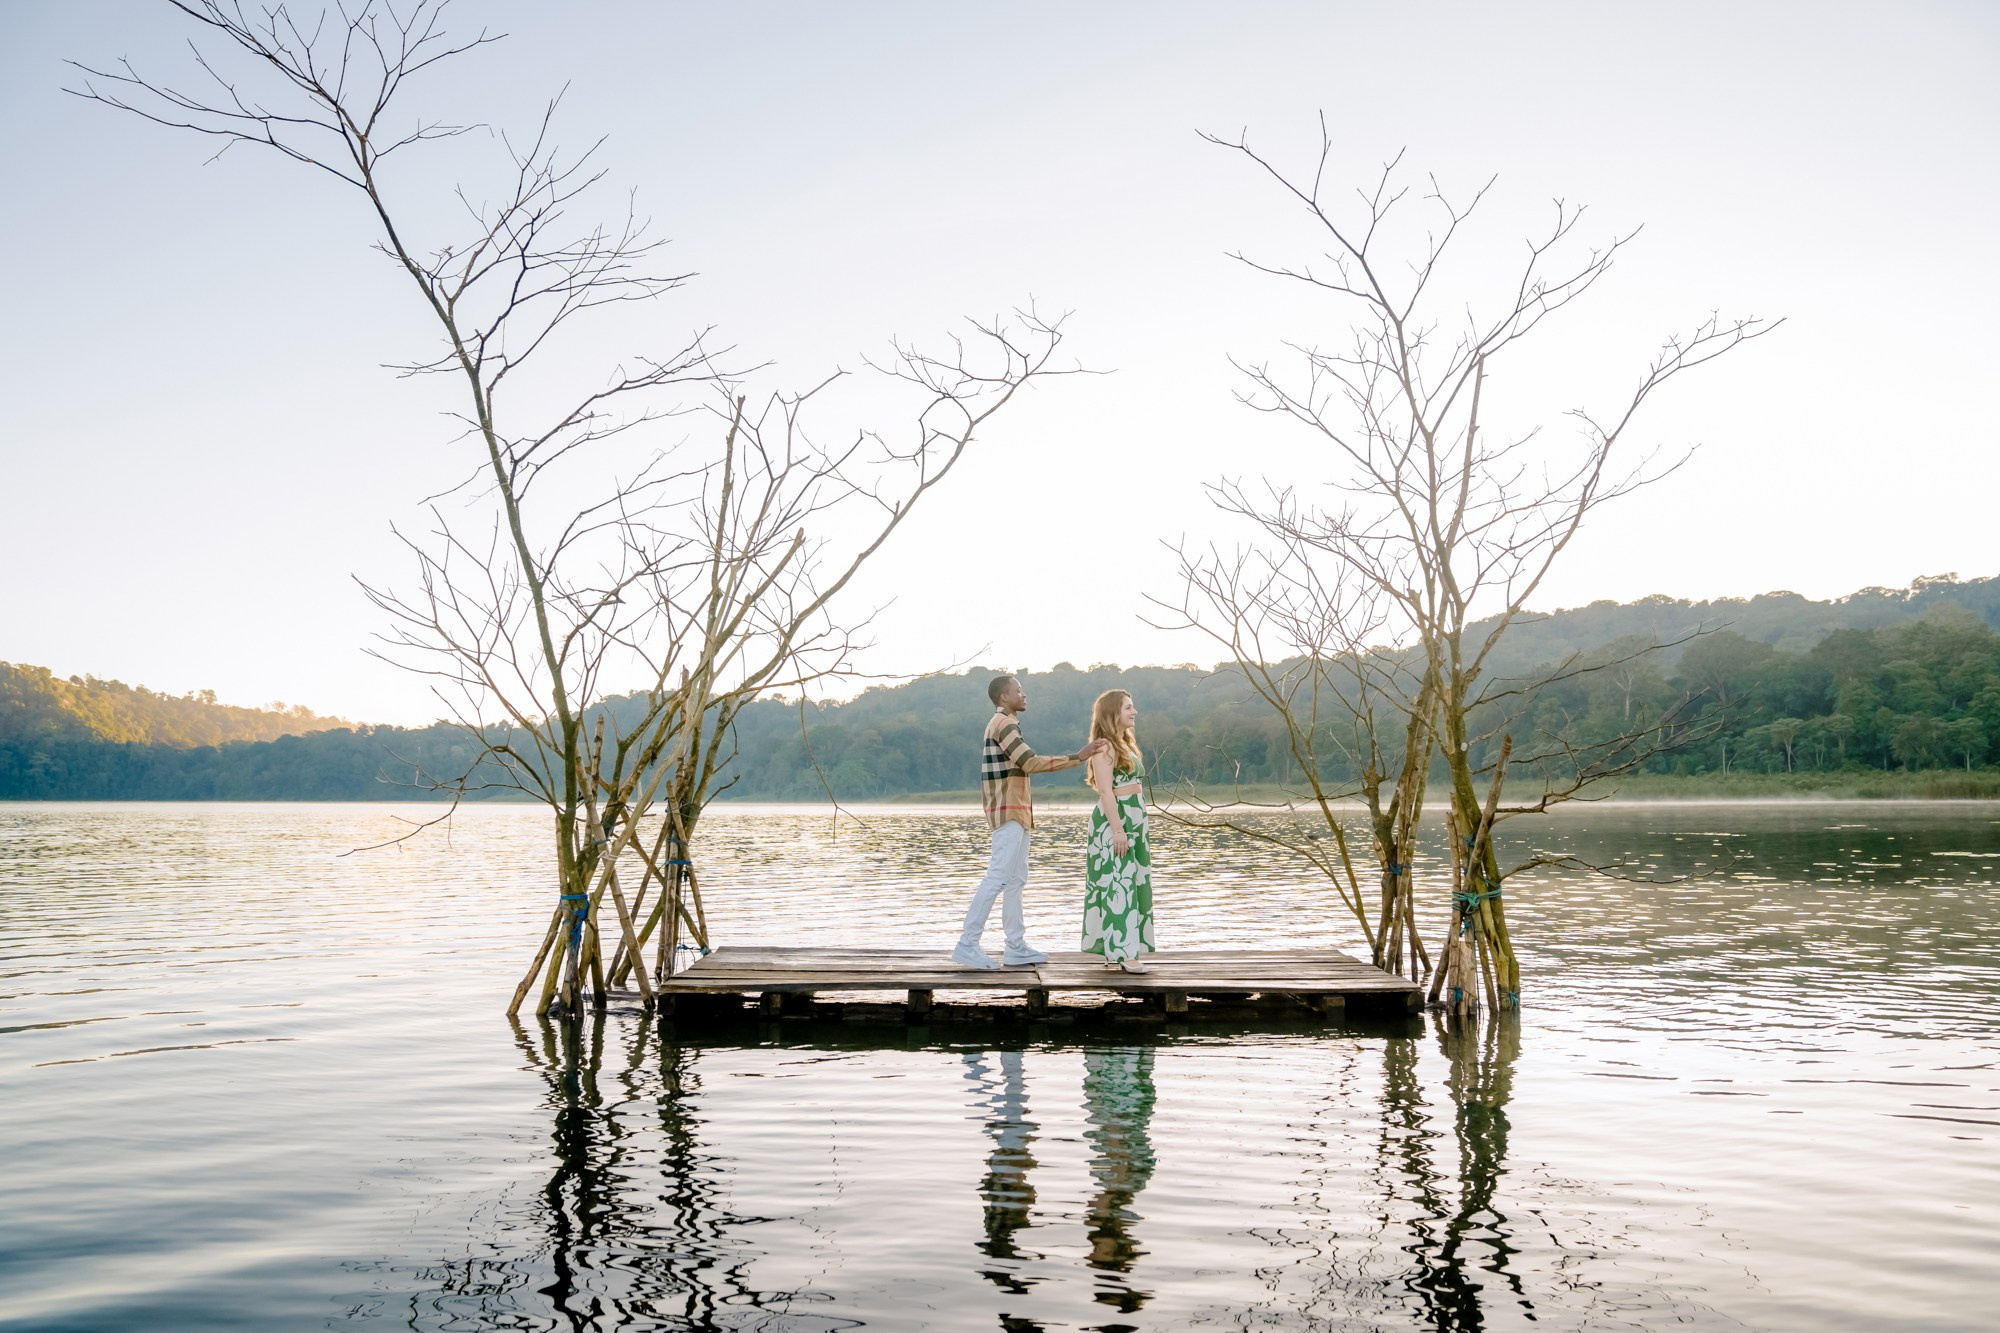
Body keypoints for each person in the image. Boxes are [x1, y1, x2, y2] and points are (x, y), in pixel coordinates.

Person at [953, 673, 1106, 969]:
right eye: (1018, 691)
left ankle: (1015, 947)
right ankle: (967, 944)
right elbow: (1030, 762)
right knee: (998, 877)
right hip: (1008, 810)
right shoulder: (1004, 724)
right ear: (1003, 698)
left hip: (1018, 811)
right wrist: (1079, 756)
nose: (1024, 695)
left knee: (1014, 880)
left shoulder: (1006, 724)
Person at [1081, 689, 1153, 972]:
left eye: (1133, 707)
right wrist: (1118, 830)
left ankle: (1122, 950)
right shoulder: (1104, 747)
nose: (1134, 712)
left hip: (1134, 819)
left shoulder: (1124, 744)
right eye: (1127, 708)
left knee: (1131, 883)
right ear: (1112, 714)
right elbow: (1105, 791)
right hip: (1116, 820)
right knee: (1117, 884)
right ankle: (1125, 955)